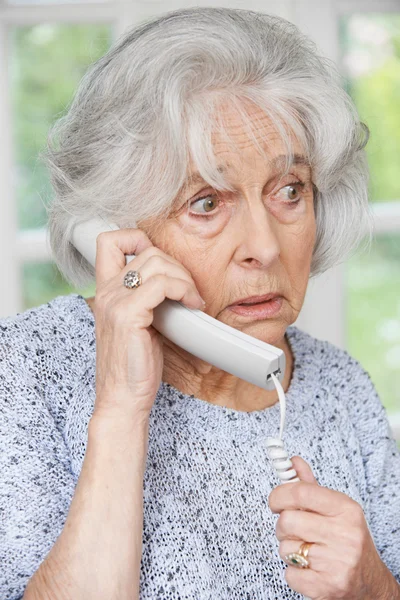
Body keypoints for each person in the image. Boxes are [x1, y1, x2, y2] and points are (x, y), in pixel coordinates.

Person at [0, 7, 399, 600]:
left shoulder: (340, 389)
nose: (264, 247)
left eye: (290, 192)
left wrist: (372, 586)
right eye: (207, 203)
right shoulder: (23, 373)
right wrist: (121, 406)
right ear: (119, 229)